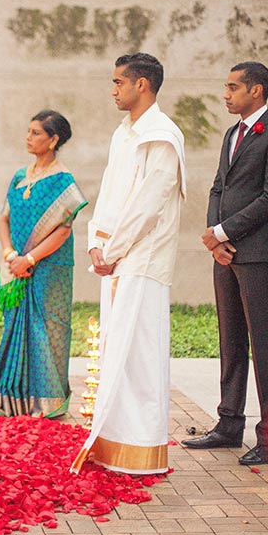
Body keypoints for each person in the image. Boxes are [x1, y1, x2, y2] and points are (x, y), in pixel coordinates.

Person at [71, 52, 185, 476]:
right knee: (116, 348)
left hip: (143, 260)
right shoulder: (125, 133)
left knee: (139, 353)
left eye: (119, 81)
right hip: (116, 259)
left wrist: (114, 249)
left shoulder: (162, 135)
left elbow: (150, 203)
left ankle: (141, 449)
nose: (113, 89)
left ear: (142, 85)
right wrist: (96, 244)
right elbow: (110, 193)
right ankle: (112, 444)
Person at [183, 61, 268, 466]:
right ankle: (229, 424)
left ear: (257, 90)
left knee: (264, 343)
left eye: (233, 87)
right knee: (230, 339)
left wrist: (224, 232)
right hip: (226, 253)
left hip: (260, 254)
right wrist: (215, 236)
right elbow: (219, 185)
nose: (226, 94)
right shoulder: (232, 133)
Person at [0, 110, 87, 418]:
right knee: (14, 327)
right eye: (28, 132)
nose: (29, 138)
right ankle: (11, 399)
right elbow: (3, 218)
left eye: (36, 133)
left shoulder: (63, 182)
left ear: (54, 140)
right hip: (16, 266)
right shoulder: (18, 177)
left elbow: (63, 229)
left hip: (50, 269)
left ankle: (46, 403)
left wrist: (30, 258)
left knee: (46, 329)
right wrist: (10, 255)